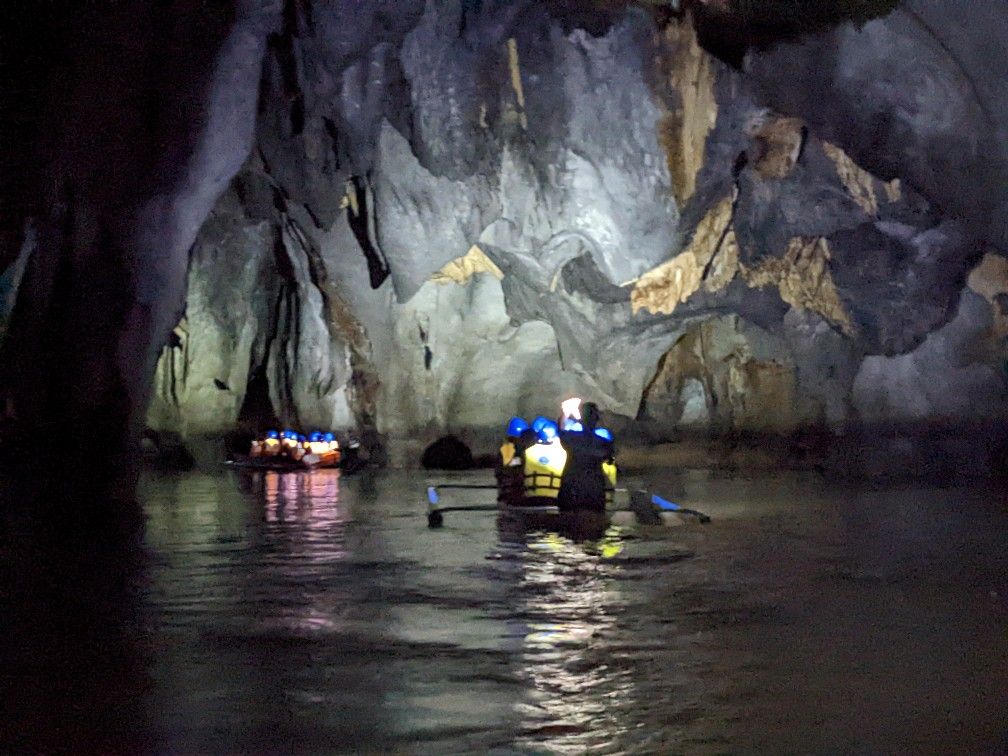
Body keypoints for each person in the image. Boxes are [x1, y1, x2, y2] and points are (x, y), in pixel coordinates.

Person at [556, 401, 614, 512]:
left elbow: (561, 430)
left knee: (568, 517)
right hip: (594, 491)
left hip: (572, 490)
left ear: (581, 419)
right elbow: (609, 455)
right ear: (596, 419)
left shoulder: (572, 438)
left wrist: (565, 413)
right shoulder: (602, 442)